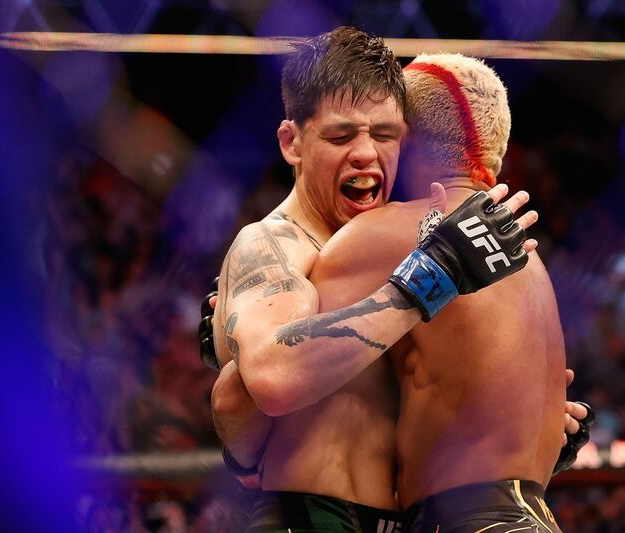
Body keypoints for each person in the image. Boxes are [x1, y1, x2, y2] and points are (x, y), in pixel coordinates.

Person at [209, 28, 539, 532]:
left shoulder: (391, 242)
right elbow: (272, 379)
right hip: (312, 518)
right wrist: (431, 278)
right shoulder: (273, 245)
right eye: (341, 136)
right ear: (291, 142)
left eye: (385, 136)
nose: (366, 154)